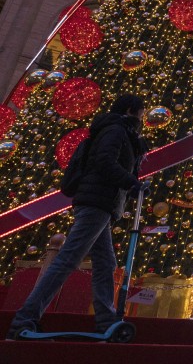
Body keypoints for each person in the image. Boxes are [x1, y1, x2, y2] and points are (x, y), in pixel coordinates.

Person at [7, 94, 148, 340]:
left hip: (102, 204)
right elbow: (104, 162)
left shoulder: (120, 132)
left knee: (106, 264)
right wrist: (131, 183)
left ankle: (105, 320)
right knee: (68, 259)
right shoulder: (115, 130)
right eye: (141, 113)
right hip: (96, 202)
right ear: (130, 111)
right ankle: (24, 318)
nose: (143, 118)